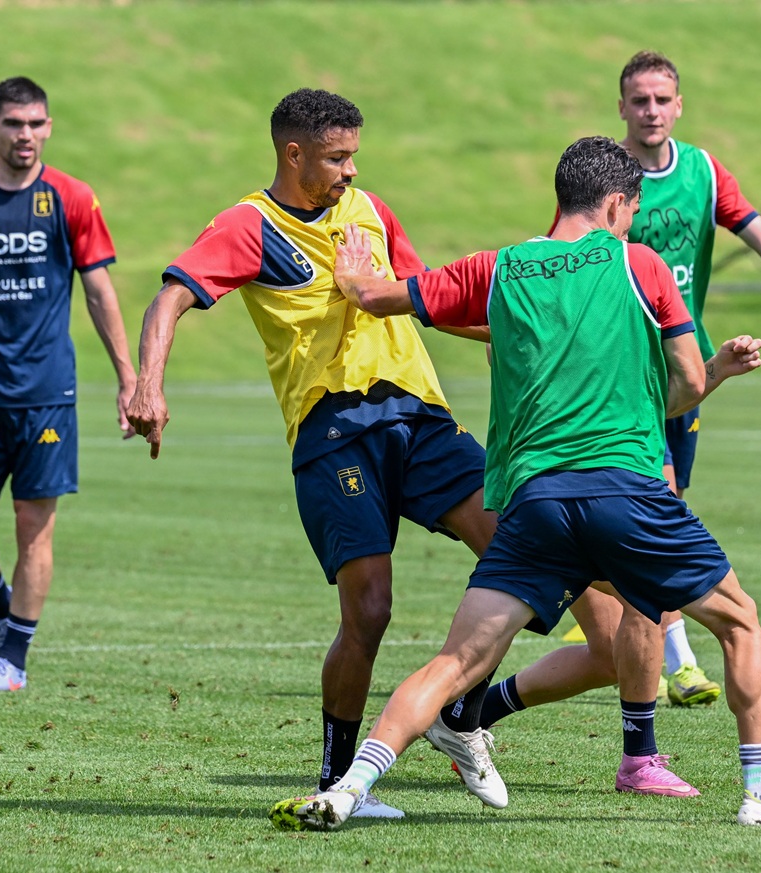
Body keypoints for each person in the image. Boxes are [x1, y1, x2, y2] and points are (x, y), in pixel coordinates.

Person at [271, 135, 761, 831]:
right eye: (631, 209)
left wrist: (354, 276)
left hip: (533, 504)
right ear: (615, 203)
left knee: (456, 660)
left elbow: (377, 297)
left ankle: (348, 787)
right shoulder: (643, 266)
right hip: (627, 493)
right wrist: (714, 373)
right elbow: (688, 384)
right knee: (738, 621)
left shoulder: (500, 266)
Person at [124, 88, 506, 819]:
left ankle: (460, 716)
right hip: (333, 430)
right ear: (292, 153)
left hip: (421, 415)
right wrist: (149, 386)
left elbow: (420, 294)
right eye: (336, 157)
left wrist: (514, 331)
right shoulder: (250, 225)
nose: (350, 171)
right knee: (369, 608)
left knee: (520, 546)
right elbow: (170, 297)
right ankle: (340, 782)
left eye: (354, 155)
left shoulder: (371, 211)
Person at [483, 50, 761, 719]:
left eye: (662, 99)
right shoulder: (599, 185)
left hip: (680, 366)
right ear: (622, 108)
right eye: (640, 100)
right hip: (613, 377)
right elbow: (549, 276)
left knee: (661, 509)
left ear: (679, 104)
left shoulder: (701, 171)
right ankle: (673, 665)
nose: (652, 111)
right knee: (649, 510)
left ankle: (635, 667)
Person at [0, 77, 136, 693]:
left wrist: (128, 378)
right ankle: (2, 607)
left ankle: (11, 661)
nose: (26, 135)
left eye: (37, 123)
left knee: (34, 527)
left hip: (47, 393)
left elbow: (98, 290)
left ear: (49, 127)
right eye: (14, 124)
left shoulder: (72, 198)